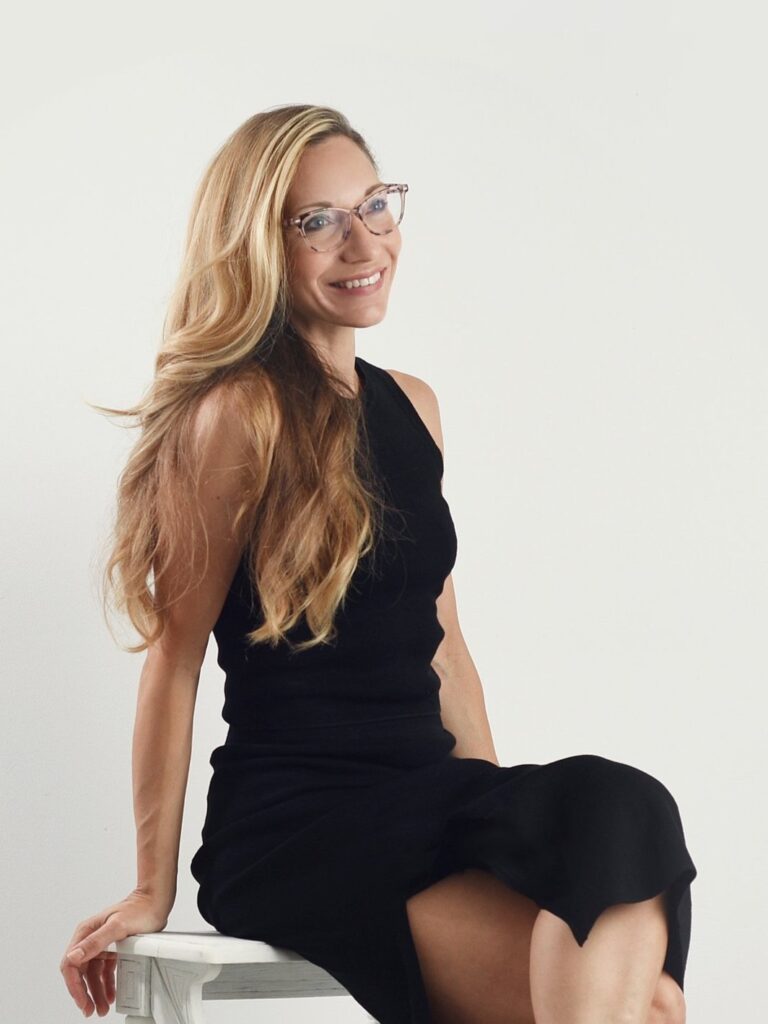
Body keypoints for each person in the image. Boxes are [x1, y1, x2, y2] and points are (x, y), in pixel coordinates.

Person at [60, 104, 697, 1024]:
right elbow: (175, 658)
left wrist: (508, 830)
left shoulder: (416, 407)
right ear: (260, 247)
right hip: (301, 829)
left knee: (622, 803)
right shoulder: (238, 416)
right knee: (653, 1009)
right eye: (317, 221)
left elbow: (445, 648)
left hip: (429, 801)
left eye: (376, 206)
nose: (362, 241)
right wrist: (149, 888)